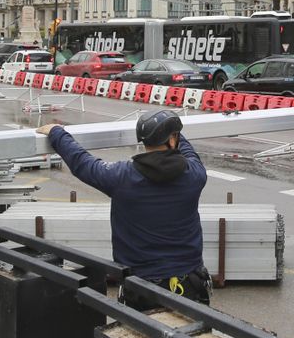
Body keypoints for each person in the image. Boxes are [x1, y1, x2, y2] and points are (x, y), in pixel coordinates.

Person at [38, 110, 210, 306]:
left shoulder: (122, 177)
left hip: (140, 290)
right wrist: (171, 131)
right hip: (189, 287)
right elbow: (187, 151)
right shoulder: (195, 175)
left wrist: (57, 132)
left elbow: (82, 163)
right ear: (172, 139)